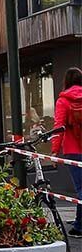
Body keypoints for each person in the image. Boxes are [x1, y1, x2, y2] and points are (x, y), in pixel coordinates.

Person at [51, 67, 82, 236]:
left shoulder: (63, 101)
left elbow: (59, 127)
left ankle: (79, 226)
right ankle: (79, 222)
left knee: (81, 188)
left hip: (73, 149)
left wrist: (55, 151)